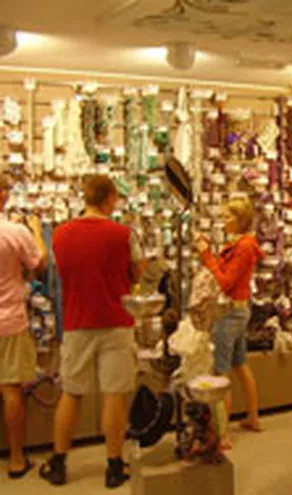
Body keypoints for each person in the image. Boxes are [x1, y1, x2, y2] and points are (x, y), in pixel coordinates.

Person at [40, 175, 144, 489]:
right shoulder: (124, 234)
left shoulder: (61, 235)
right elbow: (137, 272)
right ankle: (114, 465)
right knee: (114, 394)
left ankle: (59, 462)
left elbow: (60, 273)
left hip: (77, 321)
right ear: (109, 198)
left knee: (71, 392)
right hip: (117, 320)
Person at [195, 196, 264, 451]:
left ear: (240, 219)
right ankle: (252, 416)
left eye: (227, 216)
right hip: (238, 310)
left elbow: (225, 282)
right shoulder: (243, 244)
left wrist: (206, 256)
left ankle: (222, 433)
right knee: (240, 363)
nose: (223, 220)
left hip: (230, 313)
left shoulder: (243, 247)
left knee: (221, 372)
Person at [0, 174, 46, 479]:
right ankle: (17, 459)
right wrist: (37, 232)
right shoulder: (13, 232)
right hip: (9, 321)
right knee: (11, 390)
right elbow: (39, 263)